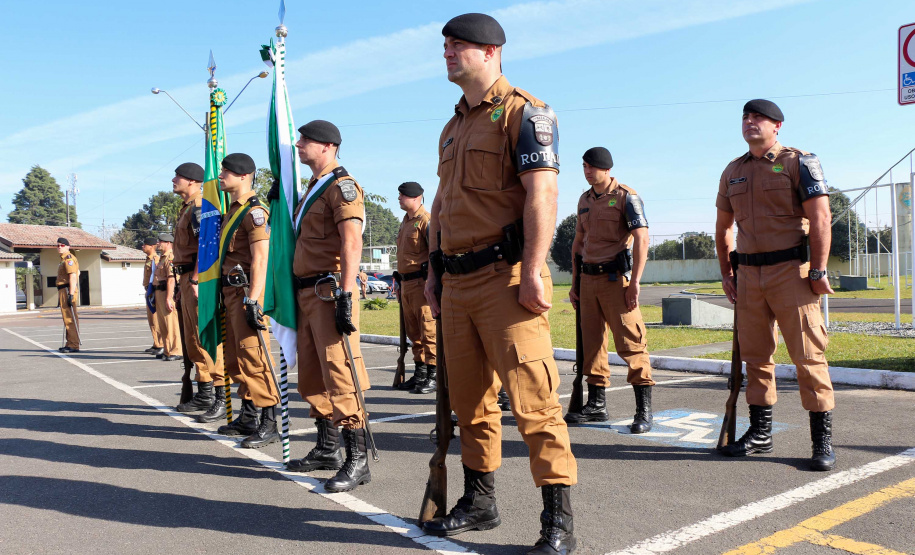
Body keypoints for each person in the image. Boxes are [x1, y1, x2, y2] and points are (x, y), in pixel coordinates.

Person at [422, 14, 577, 554]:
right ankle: (481, 501)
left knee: (534, 400)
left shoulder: (525, 113)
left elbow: (543, 195)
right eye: (445, 44)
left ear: (491, 52)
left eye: (457, 44)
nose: (447, 52)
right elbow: (443, 204)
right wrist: (434, 271)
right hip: (458, 283)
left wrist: (534, 267)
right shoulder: (453, 125)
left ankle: (558, 519)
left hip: (506, 278)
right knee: (470, 404)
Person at [715, 99, 836, 471]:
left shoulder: (798, 162)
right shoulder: (732, 171)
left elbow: (821, 218)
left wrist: (818, 270)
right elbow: (723, 228)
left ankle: (821, 441)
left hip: (790, 273)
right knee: (756, 358)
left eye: (759, 117)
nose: (750, 122)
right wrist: (727, 273)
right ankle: (760, 434)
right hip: (749, 277)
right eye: (746, 117)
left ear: (777, 125)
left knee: (808, 356)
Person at [284, 120, 373, 494]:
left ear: (328, 146)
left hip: (328, 290)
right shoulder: (311, 190)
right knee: (313, 374)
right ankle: (327, 446)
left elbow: (351, 242)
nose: (299, 144)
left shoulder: (343, 187)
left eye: (306, 140)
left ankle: (358, 459)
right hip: (305, 292)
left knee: (340, 371)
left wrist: (347, 294)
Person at [565, 147, 655, 433]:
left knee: (631, 343)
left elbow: (642, 238)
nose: (587, 171)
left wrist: (636, 281)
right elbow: (578, 243)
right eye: (584, 166)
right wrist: (575, 282)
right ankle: (597, 405)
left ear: (606, 169)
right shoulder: (584, 200)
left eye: (591, 167)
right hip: (588, 282)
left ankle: (644, 411)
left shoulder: (626, 197)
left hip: (617, 282)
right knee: (591, 346)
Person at [215, 153, 281, 449]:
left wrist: (253, 299)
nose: (221, 175)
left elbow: (261, 258)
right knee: (238, 358)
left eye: (226, 171)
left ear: (243, 176)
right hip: (231, 292)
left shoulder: (255, 212)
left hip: (246, 294)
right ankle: (249, 415)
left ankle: (269, 423)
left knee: (255, 357)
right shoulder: (231, 211)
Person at [170, 162, 227, 422]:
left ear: (193, 181)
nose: (174, 180)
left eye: (178, 177)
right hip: (186, 278)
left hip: (197, 279)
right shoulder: (187, 208)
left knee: (205, 337)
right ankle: (204, 392)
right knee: (193, 340)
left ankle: (217, 396)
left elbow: (207, 246)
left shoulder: (200, 207)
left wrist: (194, 279)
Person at [394, 181, 437, 394]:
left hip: (422, 284)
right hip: (406, 283)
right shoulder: (405, 221)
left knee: (428, 330)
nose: (399, 199)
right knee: (414, 333)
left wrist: (431, 281)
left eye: (402, 196)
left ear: (415, 198)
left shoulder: (426, 221)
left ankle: (433, 374)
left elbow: (433, 253)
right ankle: (420, 373)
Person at [153, 233, 182, 362]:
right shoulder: (162, 258)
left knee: (171, 323)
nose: (158, 243)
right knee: (163, 324)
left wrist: (169, 298)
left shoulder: (170, 257)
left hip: (166, 292)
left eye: (161, 241)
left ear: (168, 243)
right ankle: (167, 349)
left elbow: (171, 279)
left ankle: (175, 350)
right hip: (159, 292)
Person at [56, 237, 80, 353]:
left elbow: (73, 276)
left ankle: (74, 344)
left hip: (67, 289)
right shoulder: (63, 259)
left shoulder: (69, 258)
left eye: (62, 245)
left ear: (68, 246)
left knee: (70, 318)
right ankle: (69, 342)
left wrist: (70, 294)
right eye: (58, 245)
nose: (59, 247)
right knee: (67, 318)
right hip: (63, 289)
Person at [140, 237, 163, 357]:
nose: (143, 246)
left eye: (145, 244)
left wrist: (152, 290)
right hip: (149, 291)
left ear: (152, 246)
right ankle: (156, 343)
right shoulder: (148, 259)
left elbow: (156, 276)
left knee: (155, 319)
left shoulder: (156, 259)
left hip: (154, 291)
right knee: (151, 319)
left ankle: (160, 344)